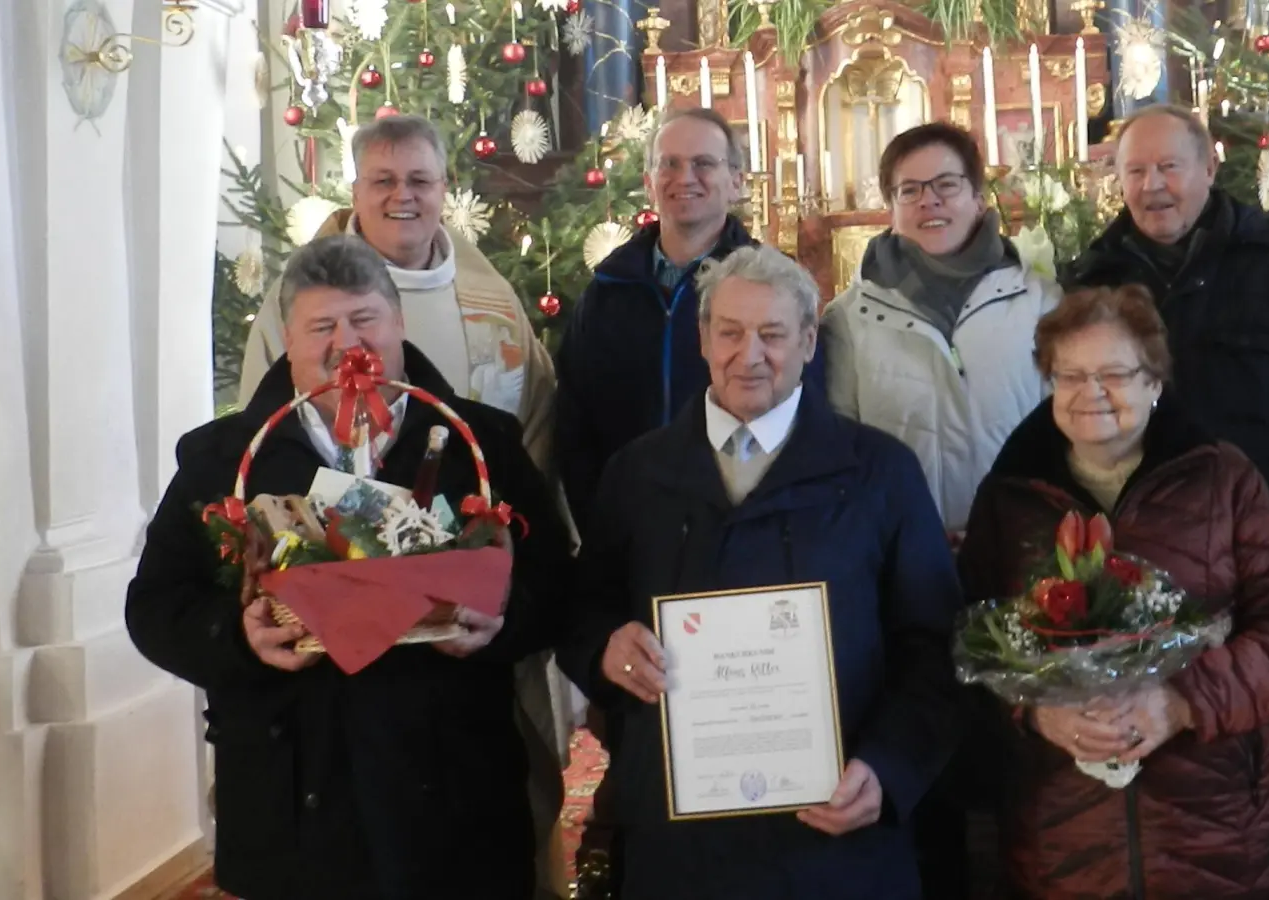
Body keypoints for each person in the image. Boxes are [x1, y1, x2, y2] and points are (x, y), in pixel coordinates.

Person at [126, 235, 574, 900]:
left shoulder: (482, 445)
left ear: (397, 321)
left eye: (364, 320)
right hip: (292, 798)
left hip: (452, 800)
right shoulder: (222, 461)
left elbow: (559, 584)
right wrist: (241, 637)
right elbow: (155, 607)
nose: (346, 343)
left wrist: (499, 624)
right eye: (321, 326)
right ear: (286, 339)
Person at [557, 245, 963, 899]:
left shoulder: (879, 473)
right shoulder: (636, 473)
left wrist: (889, 768)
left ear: (808, 341)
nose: (751, 354)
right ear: (702, 339)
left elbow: (935, 647)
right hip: (680, 845)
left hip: (837, 842)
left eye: (773, 334)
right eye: (731, 332)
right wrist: (606, 650)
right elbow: (584, 610)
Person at [235, 114, 569, 895]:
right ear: (354, 190)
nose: (402, 197)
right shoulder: (298, 298)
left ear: (445, 190)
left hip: (450, 649)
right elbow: (261, 445)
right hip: (319, 665)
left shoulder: (489, 295)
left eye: (420, 180)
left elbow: (534, 436)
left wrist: (499, 570)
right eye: (382, 181)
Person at [1064, 103, 1269, 899]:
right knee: (1160, 811)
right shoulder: (1090, 284)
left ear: (1210, 168)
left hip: (1265, 589)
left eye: (1169, 167)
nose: (1153, 187)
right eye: (1134, 172)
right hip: (1134, 592)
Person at [959, 284, 1269, 898]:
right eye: (1069, 375)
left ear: (1154, 381)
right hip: (1064, 840)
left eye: (1114, 373)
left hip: (1217, 832)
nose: (1090, 394)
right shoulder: (1011, 496)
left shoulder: (1221, 478)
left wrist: (1180, 702)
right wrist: (1035, 709)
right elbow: (971, 643)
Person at [556, 107, 824, 539]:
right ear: (649, 183)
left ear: (736, 181)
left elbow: (811, 407)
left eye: (703, 163)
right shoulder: (607, 291)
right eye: (670, 164)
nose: (685, 178)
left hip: (749, 526)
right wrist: (602, 523)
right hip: (632, 528)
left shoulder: (774, 287)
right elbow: (574, 426)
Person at [822, 121, 1060, 538]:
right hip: (902, 547)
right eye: (909, 190)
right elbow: (839, 448)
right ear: (891, 210)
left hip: (1021, 542)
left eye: (946, 185)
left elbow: (1067, 427)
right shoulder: (848, 318)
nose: (928, 201)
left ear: (978, 198)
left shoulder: (1040, 301)